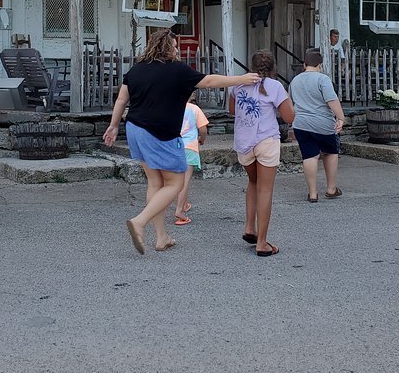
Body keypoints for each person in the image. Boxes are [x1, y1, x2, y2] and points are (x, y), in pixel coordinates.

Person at [103, 28, 260, 255]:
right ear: (166, 47)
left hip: (135, 129)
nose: (177, 50)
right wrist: (241, 79)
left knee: (155, 183)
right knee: (175, 184)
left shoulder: (136, 70)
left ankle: (161, 237)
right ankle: (140, 221)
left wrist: (114, 125)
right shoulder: (176, 70)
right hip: (160, 134)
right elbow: (209, 81)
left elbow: (121, 99)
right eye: (175, 46)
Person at [229, 50, 294, 257]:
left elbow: (232, 110)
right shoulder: (275, 86)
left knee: (253, 182)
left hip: (244, 142)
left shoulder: (237, 84)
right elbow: (288, 116)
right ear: (273, 68)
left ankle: (250, 227)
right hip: (266, 140)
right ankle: (262, 243)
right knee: (265, 190)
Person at [290, 50, 346, 203]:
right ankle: (331, 189)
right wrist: (341, 117)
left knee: (309, 155)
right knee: (331, 152)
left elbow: (291, 102)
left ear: (304, 64)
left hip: (301, 124)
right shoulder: (323, 79)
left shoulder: (295, 80)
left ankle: (313, 194)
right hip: (323, 123)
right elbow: (331, 100)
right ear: (320, 65)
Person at [174, 93, 209, 226]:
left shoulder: (172, 107)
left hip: (174, 146)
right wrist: (202, 139)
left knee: (175, 180)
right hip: (189, 147)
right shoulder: (194, 109)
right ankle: (179, 210)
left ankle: (184, 203)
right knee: (185, 181)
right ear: (191, 95)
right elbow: (203, 129)